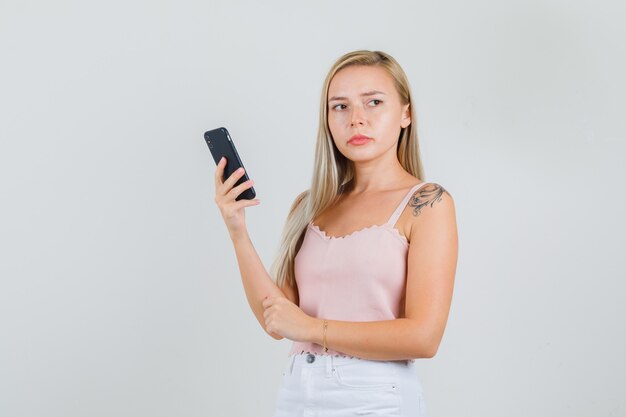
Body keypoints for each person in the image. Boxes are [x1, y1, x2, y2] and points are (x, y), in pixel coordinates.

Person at [213, 50, 458, 417]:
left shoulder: (427, 203)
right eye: (340, 107)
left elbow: (424, 337)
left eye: (373, 102)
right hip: (298, 391)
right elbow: (276, 321)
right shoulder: (310, 206)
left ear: (406, 113)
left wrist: (312, 327)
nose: (356, 119)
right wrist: (237, 231)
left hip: (376, 397)